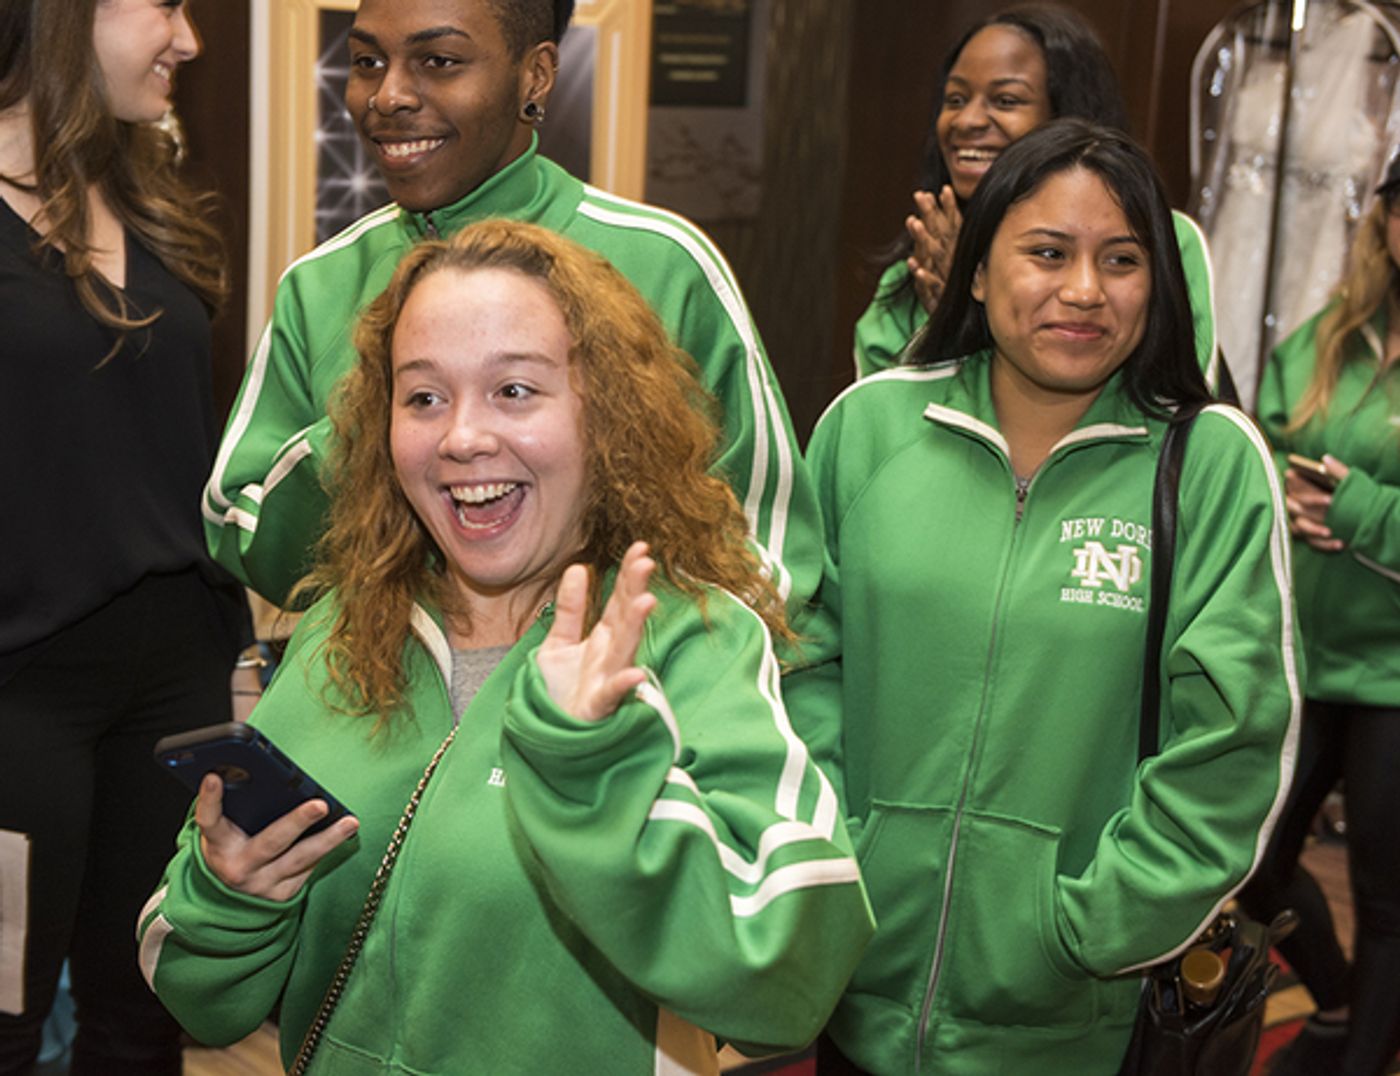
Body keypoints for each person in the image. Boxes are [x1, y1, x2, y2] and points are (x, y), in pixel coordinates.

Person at [138, 219, 874, 1073]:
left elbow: (795, 980)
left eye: (515, 391)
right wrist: (234, 898)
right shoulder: (344, 629)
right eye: (423, 397)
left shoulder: (688, 640)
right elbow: (196, 993)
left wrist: (597, 770)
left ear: (607, 413)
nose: (461, 437)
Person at [798, 119, 1300, 1074]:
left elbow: (1232, 743)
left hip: (1075, 1023)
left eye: (1121, 259)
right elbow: (796, 664)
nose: (1084, 290)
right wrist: (841, 861)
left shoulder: (1209, 463)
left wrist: (1081, 928)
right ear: (977, 271)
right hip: (856, 998)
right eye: (1047, 252)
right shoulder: (870, 429)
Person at [204, 0, 817, 617]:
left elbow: (766, 552)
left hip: (621, 699)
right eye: (366, 61)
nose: (386, 96)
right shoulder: (321, 285)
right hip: (383, 695)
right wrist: (374, 416)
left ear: (536, 76)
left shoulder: (662, 264)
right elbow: (241, 528)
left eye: (439, 61)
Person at [0, 1, 246, 1073]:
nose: (188, 40)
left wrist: (240, 652)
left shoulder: (147, 192)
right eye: (165, 5)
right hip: (18, 696)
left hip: (177, 680)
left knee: (146, 1013)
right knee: (5, 1019)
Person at [1240, 154, 1400, 1076]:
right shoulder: (1326, 337)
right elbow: (1264, 444)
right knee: (1253, 869)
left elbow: (1345, 500)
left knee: (1387, 898)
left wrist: (1362, 512)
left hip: (1392, 678)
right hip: (1302, 652)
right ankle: (1335, 1005)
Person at [852, 3, 1223, 393]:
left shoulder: (1162, 239)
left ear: (1068, 115)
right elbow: (881, 431)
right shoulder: (914, 272)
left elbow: (1179, 408)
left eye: (1006, 101)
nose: (967, 121)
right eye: (956, 99)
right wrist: (951, 320)